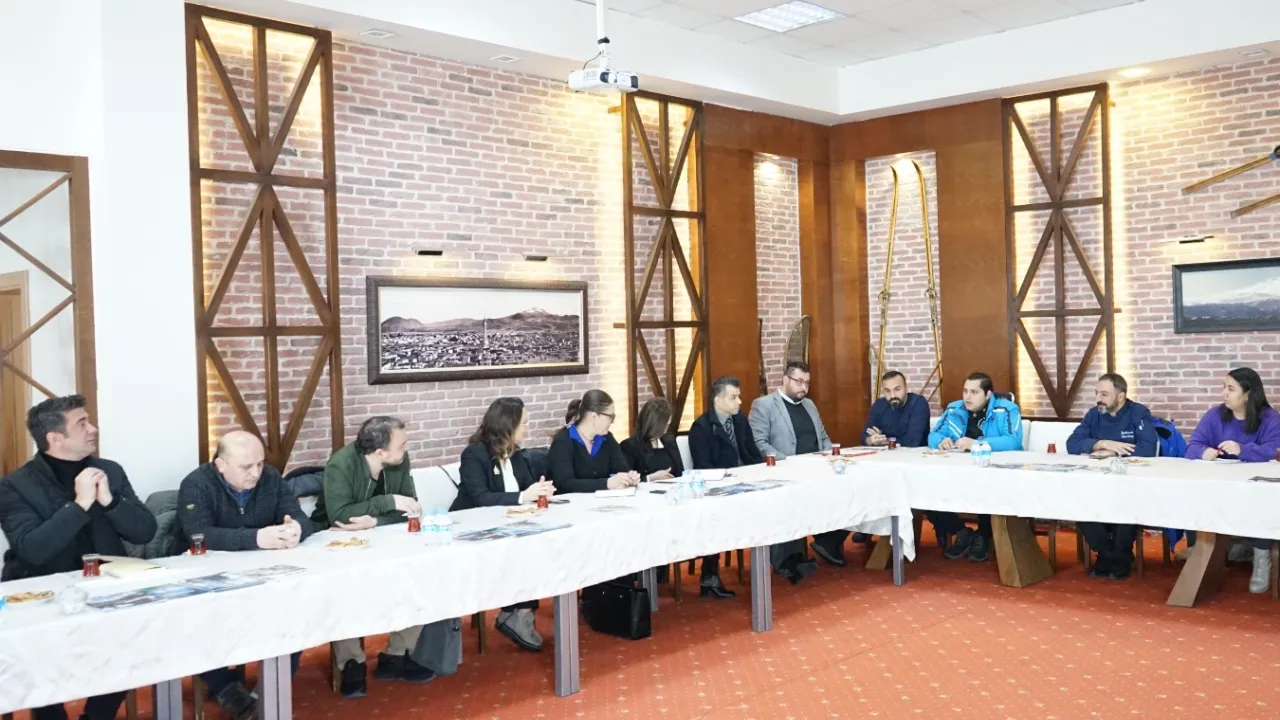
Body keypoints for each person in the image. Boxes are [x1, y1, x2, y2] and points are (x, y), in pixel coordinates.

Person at [0, 395, 157, 720]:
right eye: (82, 424)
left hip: (107, 588)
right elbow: (32, 549)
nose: (93, 429)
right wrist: (79, 504)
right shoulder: (14, 486)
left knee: (135, 646)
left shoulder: (108, 470)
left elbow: (144, 532)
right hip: (42, 595)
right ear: (55, 438)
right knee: (42, 670)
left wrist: (111, 502)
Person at [176, 430, 310, 719]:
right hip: (209, 577)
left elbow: (299, 516)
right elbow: (198, 533)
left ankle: (268, 693)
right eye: (246, 467)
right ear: (221, 464)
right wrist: (256, 538)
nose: (256, 473)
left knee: (296, 608)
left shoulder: (270, 478)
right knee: (193, 622)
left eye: (260, 464)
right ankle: (226, 689)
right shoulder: (197, 484)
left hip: (263, 574)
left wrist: (296, 529)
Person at [313, 416, 435, 698]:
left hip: (384, 535)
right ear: (380, 452)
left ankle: (397, 655)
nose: (407, 448)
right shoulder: (340, 464)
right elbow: (340, 516)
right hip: (336, 542)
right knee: (345, 586)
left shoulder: (399, 460)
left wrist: (375, 521)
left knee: (420, 570)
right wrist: (388, 502)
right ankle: (351, 663)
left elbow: (411, 508)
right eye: (401, 444)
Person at [453, 397, 555, 651]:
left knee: (539, 546)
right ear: (508, 425)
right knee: (524, 550)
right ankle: (516, 612)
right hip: (471, 529)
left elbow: (527, 489)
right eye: (524, 423)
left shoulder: (517, 455)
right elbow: (481, 498)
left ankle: (520, 612)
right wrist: (524, 497)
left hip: (511, 527)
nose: (527, 428)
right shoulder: (474, 454)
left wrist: (541, 491)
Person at [1185, 367, 1280, 593]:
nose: (1224, 394)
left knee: (1263, 502)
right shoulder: (1214, 415)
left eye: (1231, 389)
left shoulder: (1270, 418)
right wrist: (1203, 452)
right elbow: (1193, 445)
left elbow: (1273, 452)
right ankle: (1202, 549)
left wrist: (1242, 449)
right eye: (1223, 387)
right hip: (1221, 485)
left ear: (1248, 394)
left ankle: (1261, 556)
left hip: (1255, 488)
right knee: (1194, 493)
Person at [627, 397, 733, 599]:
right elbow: (628, 480)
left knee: (708, 517)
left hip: (675, 498)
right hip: (649, 504)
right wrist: (651, 478)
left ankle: (710, 576)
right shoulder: (631, 446)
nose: (668, 426)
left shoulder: (668, 442)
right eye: (665, 423)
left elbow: (680, 471)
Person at [749, 361, 842, 571]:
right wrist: (790, 463)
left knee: (845, 490)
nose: (804, 388)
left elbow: (823, 436)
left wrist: (831, 457)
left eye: (807, 383)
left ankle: (828, 543)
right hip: (785, 472)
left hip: (817, 469)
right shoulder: (764, 405)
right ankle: (788, 561)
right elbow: (759, 443)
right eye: (799, 382)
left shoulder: (809, 405)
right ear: (785, 379)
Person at [1065, 373, 1157, 580]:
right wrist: (1101, 443)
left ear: (1121, 396)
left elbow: (1148, 448)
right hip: (1096, 482)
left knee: (1126, 504)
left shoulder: (1138, 413)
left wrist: (1114, 452)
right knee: (1078, 502)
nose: (1098, 398)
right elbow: (1072, 443)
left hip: (1130, 482)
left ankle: (1115, 557)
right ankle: (1111, 555)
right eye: (1096, 393)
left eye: (1104, 394)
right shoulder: (1093, 414)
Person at [926, 372, 1024, 563]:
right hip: (957, 472)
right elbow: (933, 436)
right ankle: (961, 532)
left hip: (993, 473)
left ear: (988, 395)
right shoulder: (954, 409)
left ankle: (983, 535)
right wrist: (941, 441)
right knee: (927, 488)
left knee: (989, 488)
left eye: (974, 392)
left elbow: (1013, 440)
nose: (967, 397)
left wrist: (977, 444)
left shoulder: (1007, 409)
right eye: (965, 391)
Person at [545, 390, 640, 493]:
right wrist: (606, 483)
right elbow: (564, 483)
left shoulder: (607, 439)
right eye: (610, 417)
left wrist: (629, 476)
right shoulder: (563, 442)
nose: (611, 422)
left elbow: (621, 468)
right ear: (594, 416)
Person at [863, 370, 931, 448]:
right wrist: (871, 440)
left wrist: (885, 441)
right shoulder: (879, 405)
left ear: (906, 388)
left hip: (914, 454)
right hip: (886, 453)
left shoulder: (918, 403)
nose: (892, 395)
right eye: (887, 391)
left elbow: (913, 441)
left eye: (897, 389)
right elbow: (864, 436)